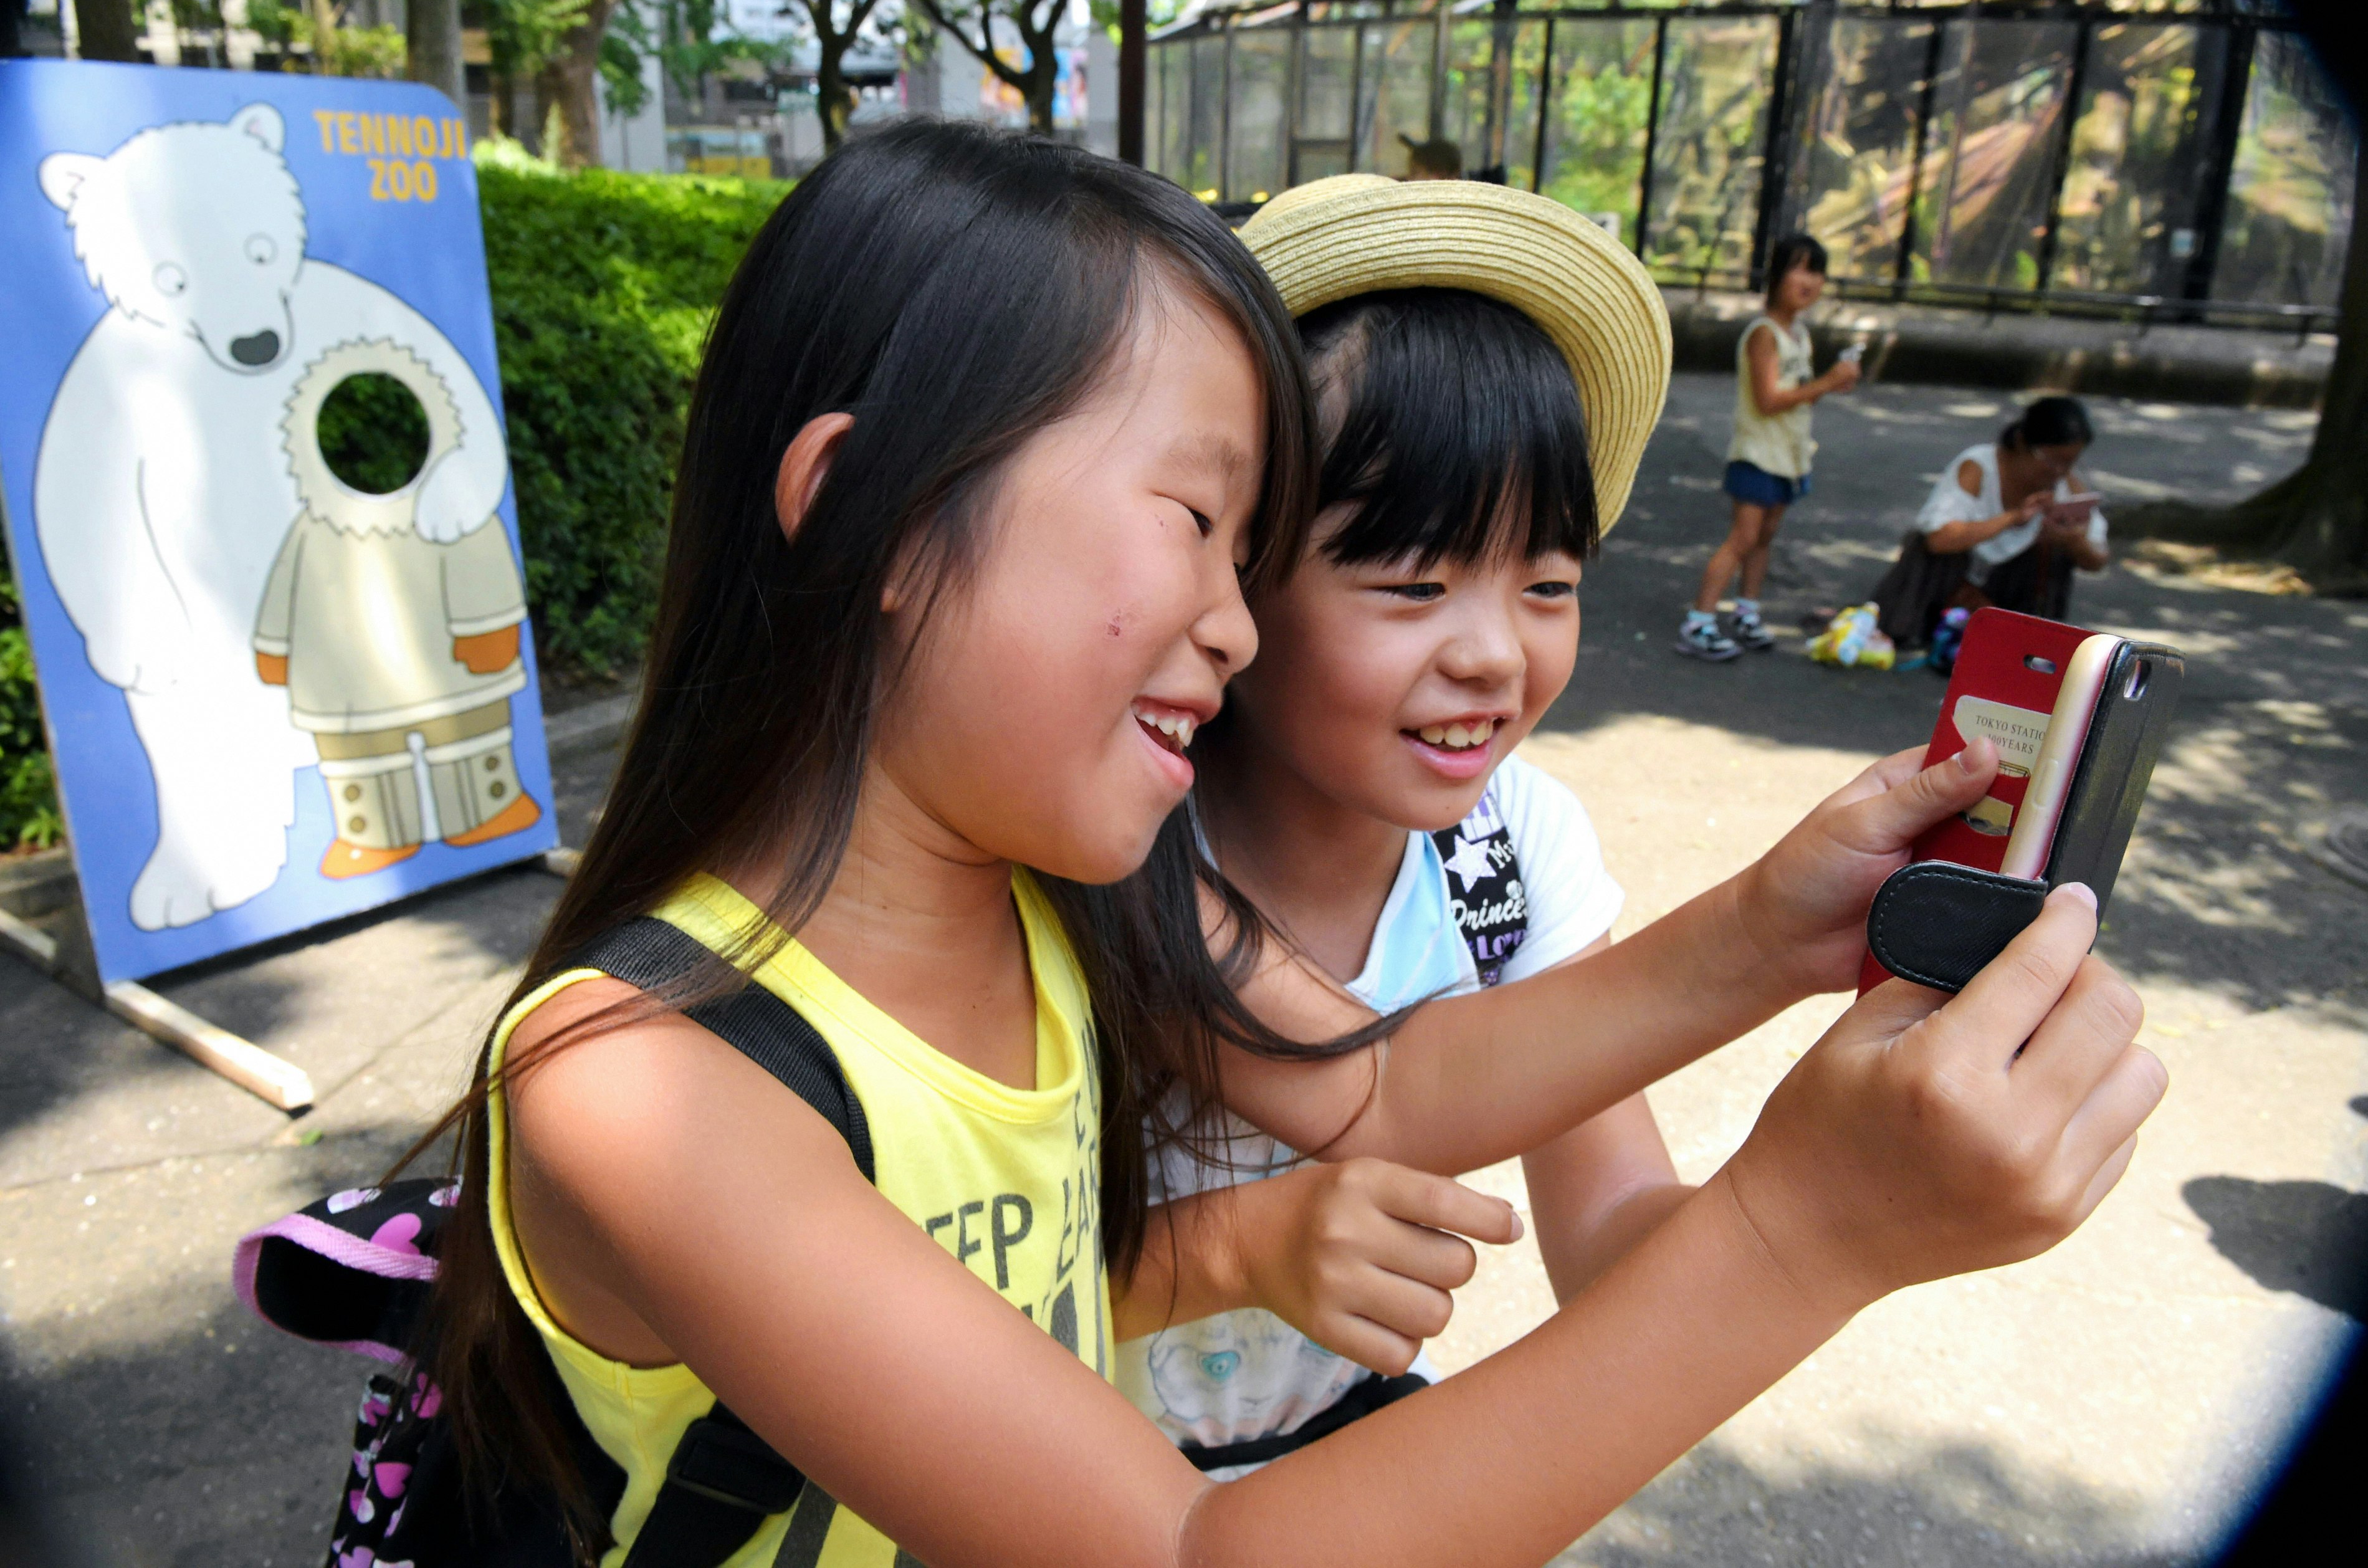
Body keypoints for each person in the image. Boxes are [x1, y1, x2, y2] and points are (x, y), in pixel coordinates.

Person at [403, 122, 2159, 1568]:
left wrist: (1784, 926)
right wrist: (1808, 1228)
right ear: (875, 504)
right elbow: (1183, 1547)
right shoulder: (642, 1081)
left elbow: (1396, 1087)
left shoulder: (1084, 893)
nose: (1237, 624)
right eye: (1197, 522)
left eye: (1254, 551)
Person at [1118, 174, 1684, 1473]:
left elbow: (1616, 1225)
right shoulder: (1117, 831)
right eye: (1415, 581)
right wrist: (1247, 1243)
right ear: (1236, 567)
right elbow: (976, 1262)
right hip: (1070, 1483)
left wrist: (1836, 1176)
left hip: (1344, 1466)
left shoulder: (1512, 851)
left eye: (1549, 581)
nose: (1494, 653)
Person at [1679, 234, 1859, 661]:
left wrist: (1831, 385)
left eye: (1817, 271)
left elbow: (1799, 395)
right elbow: (1768, 400)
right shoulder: (1764, 334)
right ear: (1776, 275)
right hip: (1757, 454)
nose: (1810, 280)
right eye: (1800, 268)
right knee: (1742, 539)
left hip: (1789, 456)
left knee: (1765, 538)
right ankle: (1699, 622)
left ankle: (1747, 611)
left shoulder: (1798, 335)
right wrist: (1828, 382)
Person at [1870, 396, 2109, 651]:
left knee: (2055, 555)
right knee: (1926, 543)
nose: (2058, 471)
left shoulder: (2067, 487)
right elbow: (1938, 539)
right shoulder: (1979, 467)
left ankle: (2026, 641)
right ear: (2022, 443)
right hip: (1955, 581)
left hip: (2010, 591)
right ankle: (1915, 626)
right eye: (2051, 460)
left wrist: (2075, 542)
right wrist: (2012, 518)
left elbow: (2098, 559)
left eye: (2069, 463)